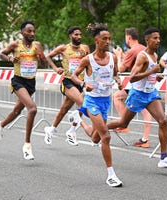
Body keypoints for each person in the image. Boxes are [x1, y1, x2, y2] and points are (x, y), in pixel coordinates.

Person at [107, 27, 167, 169]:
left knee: (163, 120)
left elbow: (148, 74)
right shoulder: (142, 56)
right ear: (147, 40)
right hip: (138, 95)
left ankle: (164, 158)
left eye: (159, 38)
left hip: (151, 93)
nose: (158, 41)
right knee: (123, 123)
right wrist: (152, 72)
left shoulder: (155, 55)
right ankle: (100, 129)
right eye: (155, 38)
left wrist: (155, 76)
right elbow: (133, 78)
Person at [71, 23, 123, 187]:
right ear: (96, 40)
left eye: (109, 38)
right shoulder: (88, 59)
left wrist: (118, 81)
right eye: (104, 39)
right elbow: (73, 75)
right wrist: (83, 85)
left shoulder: (113, 57)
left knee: (95, 138)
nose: (108, 41)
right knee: (106, 136)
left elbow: (116, 74)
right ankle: (111, 175)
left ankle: (78, 121)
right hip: (92, 100)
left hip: (105, 101)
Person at [0, 21, 50, 160]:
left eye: (33, 31)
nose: (32, 34)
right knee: (32, 109)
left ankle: (0, 124)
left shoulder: (37, 46)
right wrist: (10, 58)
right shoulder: (15, 45)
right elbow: (1, 54)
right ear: (22, 33)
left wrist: (41, 57)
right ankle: (27, 145)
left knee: (17, 111)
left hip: (31, 82)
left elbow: (43, 64)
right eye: (29, 31)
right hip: (18, 81)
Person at [43, 26, 91, 146]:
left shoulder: (85, 48)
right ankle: (72, 131)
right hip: (68, 82)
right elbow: (48, 56)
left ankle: (51, 129)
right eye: (76, 34)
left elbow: (89, 63)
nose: (79, 37)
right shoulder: (64, 48)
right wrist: (55, 68)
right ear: (70, 35)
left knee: (64, 109)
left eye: (80, 34)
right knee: (81, 102)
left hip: (80, 82)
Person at [112, 27, 152, 148]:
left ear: (128, 37)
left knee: (117, 97)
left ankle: (124, 124)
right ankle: (144, 137)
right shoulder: (142, 48)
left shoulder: (132, 50)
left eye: (125, 37)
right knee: (145, 109)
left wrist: (118, 56)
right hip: (146, 83)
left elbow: (120, 68)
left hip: (137, 84)